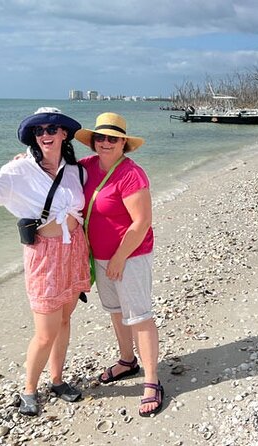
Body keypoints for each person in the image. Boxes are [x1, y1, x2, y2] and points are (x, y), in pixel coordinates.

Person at [0, 107, 90, 416]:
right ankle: (29, 389)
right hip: (44, 255)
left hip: (74, 250)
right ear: (34, 137)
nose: (46, 135)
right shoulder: (19, 169)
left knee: (64, 321)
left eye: (52, 129)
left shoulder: (76, 170)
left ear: (64, 133)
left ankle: (58, 380)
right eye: (39, 131)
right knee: (45, 331)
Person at [74, 112, 163, 417]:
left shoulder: (131, 174)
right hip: (100, 256)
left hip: (130, 256)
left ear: (124, 143)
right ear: (93, 141)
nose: (106, 143)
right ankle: (128, 361)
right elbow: (52, 173)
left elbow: (142, 222)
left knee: (139, 316)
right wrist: (25, 160)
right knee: (115, 312)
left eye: (113, 138)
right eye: (100, 137)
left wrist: (120, 257)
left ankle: (152, 381)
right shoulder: (85, 168)